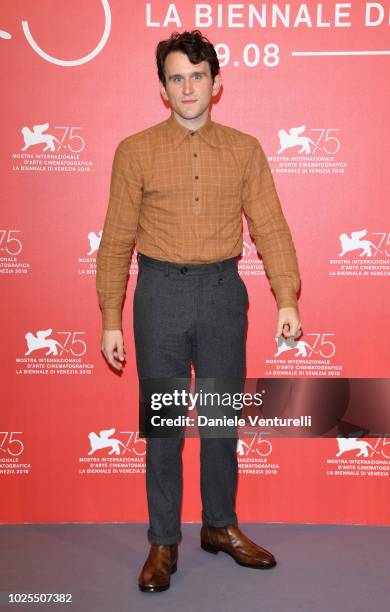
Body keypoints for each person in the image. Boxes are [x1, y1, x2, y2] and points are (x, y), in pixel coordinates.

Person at [96, 29, 302, 593]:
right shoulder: (134, 151)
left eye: (197, 76)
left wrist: (286, 296)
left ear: (216, 83)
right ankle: (163, 542)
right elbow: (115, 240)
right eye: (176, 78)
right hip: (159, 296)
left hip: (221, 295)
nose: (188, 87)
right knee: (164, 428)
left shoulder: (244, 149)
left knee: (218, 422)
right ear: (163, 90)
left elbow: (271, 227)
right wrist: (110, 316)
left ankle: (219, 526)